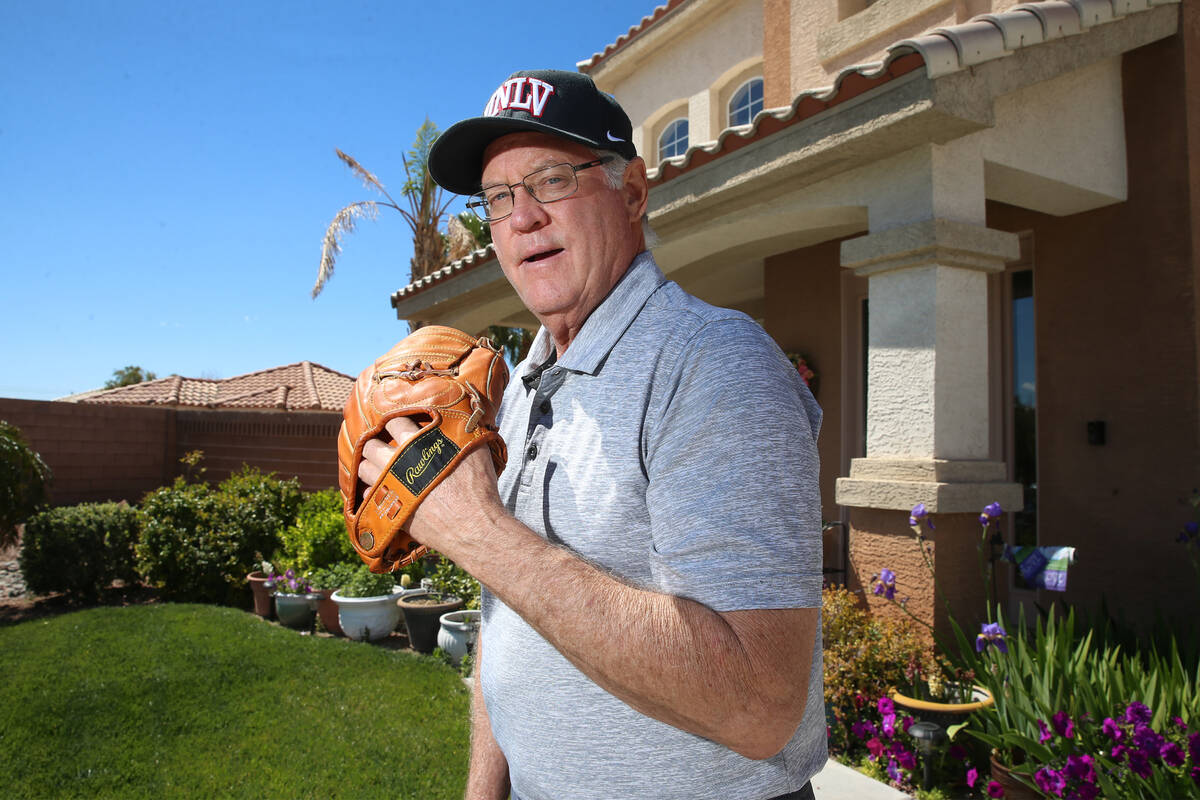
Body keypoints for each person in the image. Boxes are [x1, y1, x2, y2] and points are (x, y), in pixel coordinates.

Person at [357, 69, 825, 800]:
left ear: (632, 193)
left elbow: (760, 706)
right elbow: (505, 622)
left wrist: (476, 529)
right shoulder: (515, 391)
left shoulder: (714, 364)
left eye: (549, 181)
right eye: (498, 198)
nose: (520, 219)